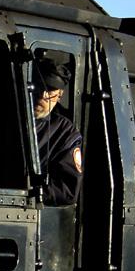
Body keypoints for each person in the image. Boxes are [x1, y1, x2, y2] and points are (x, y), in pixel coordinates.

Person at [33, 58, 83, 206]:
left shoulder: (65, 133)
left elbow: (67, 190)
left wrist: (31, 191)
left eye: (50, 90)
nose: (43, 96)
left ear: (60, 95)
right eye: (39, 87)